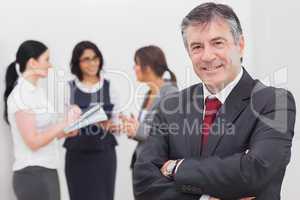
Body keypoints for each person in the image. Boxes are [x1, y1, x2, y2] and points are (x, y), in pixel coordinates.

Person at [133, 2, 296, 200]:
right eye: (197, 47)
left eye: (218, 43)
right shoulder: (170, 106)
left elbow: (254, 171)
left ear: (240, 45)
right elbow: (143, 183)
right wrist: (205, 198)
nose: (207, 56)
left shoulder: (274, 102)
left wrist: (178, 167)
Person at [3, 40, 81, 200]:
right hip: (33, 174)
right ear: (32, 63)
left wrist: (64, 132)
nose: (50, 65)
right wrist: (63, 123)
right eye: (46, 60)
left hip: (45, 171)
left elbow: (43, 134)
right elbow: (32, 142)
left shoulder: (36, 92)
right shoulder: (21, 95)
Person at [64, 41, 120, 200]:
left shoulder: (110, 87)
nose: (92, 63)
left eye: (95, 58)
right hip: (77, 154)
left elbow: (118, 124)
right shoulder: (68, 88)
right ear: (77, 63)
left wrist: (107, 125)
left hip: (104, 154)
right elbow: (62, 126)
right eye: (86, 59)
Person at [120, 45, 178, 193]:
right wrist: (133, 127)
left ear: (148, 66)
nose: (134, 68)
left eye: (137, 64)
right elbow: (147, 128)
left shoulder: (171, 93)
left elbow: (168, 132)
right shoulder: (149, 93)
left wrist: (138, 129)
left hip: (157, 169)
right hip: (141, 165)